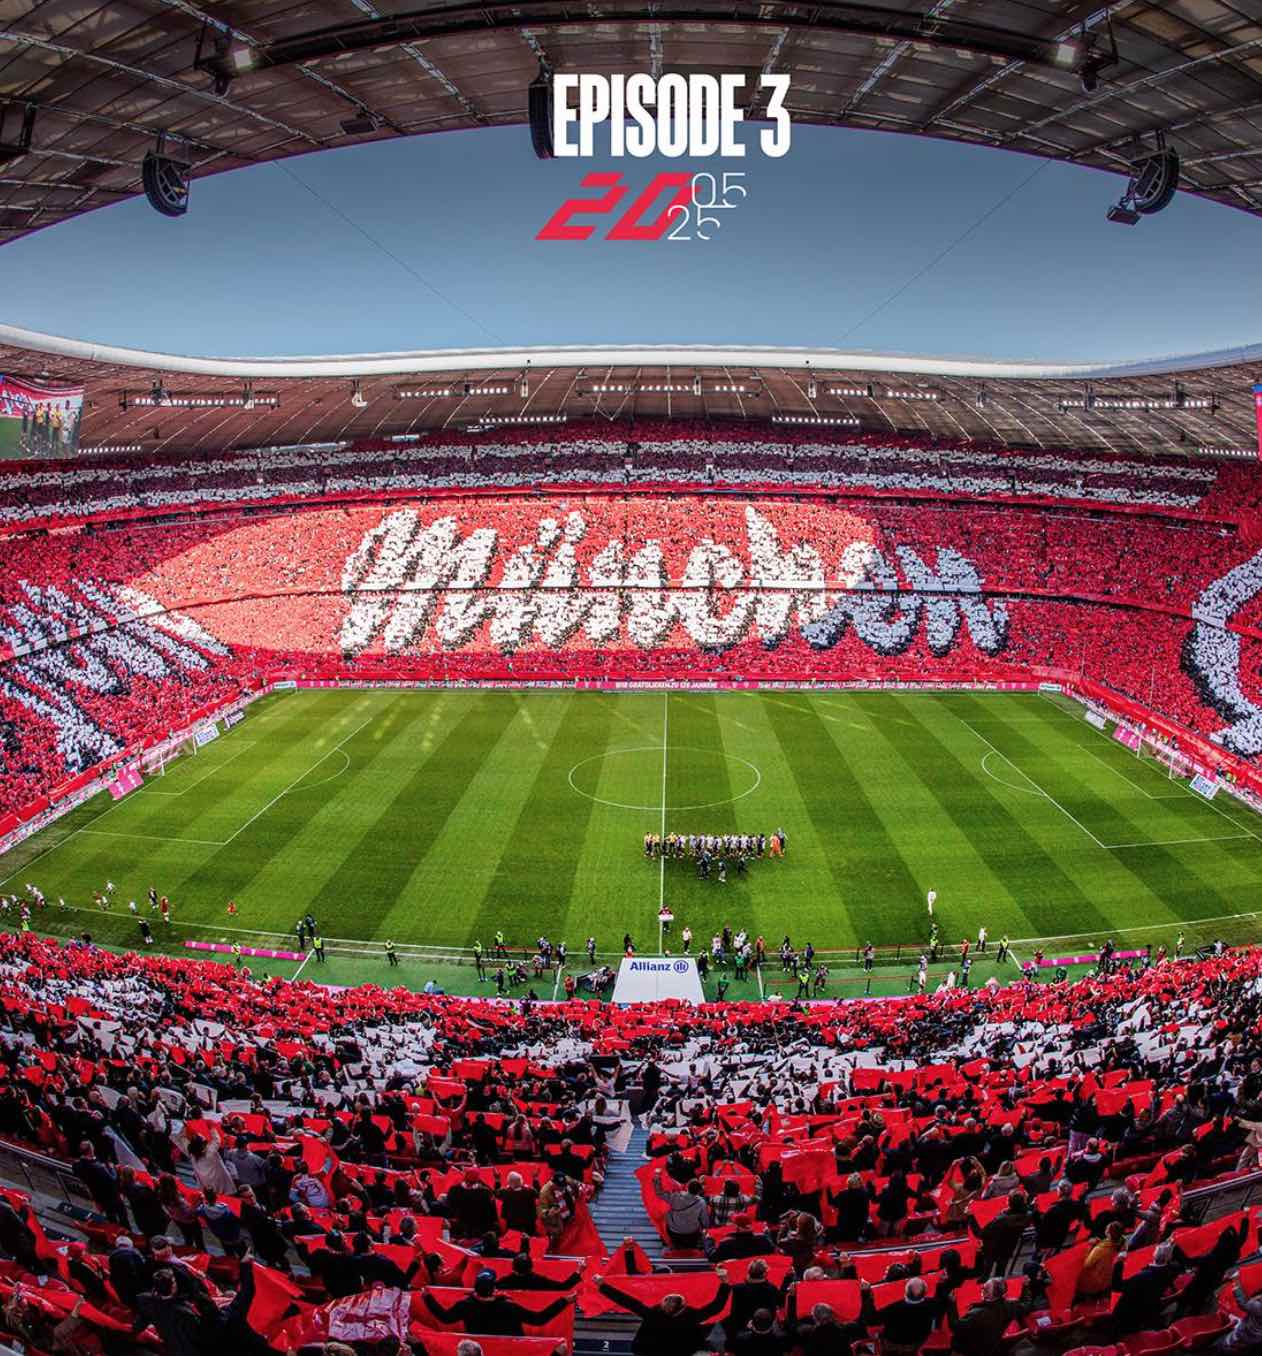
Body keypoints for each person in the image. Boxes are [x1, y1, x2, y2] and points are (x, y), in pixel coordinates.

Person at [598, 1271, 731, 1356]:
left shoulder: (653, 1314)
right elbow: (716, 1307)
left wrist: (603, 1286)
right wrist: (724, 1283)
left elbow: (627, 1301)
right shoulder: (690, 1315)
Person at [423, 1269, 570, 1336]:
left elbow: (444, 1317)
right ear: (494, 1289)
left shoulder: (465, 1305)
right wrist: (563, 1301)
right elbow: (539, 1319)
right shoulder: (509, 1307)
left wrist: (428, 1298)